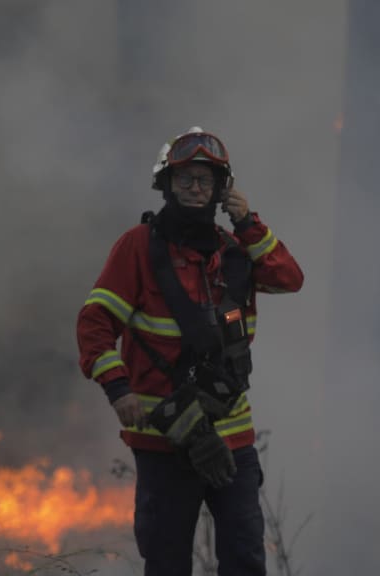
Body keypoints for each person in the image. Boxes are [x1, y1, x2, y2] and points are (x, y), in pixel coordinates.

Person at [76, 127, 304, 575]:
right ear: (167, 184)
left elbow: (289, 279)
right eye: (185, 179)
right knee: (166, 563)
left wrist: (248, 223)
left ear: (221, 190)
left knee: (244, 558)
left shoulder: (236, 251)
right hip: (164, 440)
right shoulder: (138, 248)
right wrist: (118, 390)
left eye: (205, 180)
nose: (195, 188)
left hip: (232, 438)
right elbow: (95, 324)